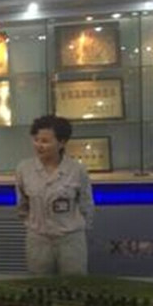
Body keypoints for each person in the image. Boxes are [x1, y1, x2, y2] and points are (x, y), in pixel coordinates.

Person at [15, 114, 94, 275]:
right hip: (38, 239)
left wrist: (75, 228)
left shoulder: (77, 169)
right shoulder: (24, 169)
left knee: (74, 284)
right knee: (40, 285)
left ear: (62, 142)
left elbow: (86, 205)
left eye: (45, 141)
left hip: (70, 240)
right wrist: (35, 225)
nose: (39, 145)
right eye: (36, 140)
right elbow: (23, 205)